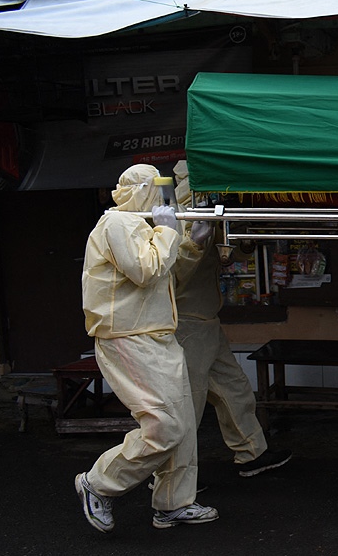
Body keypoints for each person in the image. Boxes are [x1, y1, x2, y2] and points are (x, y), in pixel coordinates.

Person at [74, 164, 218, 532]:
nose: (165, 196)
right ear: (142, 189)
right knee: (164, 426)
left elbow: (171, 275)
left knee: (183, 426)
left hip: (158, 337)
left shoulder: (144, 227)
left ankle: (174, 503)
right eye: (159, 188)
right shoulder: (117, 224)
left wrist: (192, 243)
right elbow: (145, 269)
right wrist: (169, 232)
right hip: (127, 337)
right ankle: (99, 483)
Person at [163, 161, 292, 480]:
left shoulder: (207, 208)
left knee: (234, 388)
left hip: (206, 321)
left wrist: (244, 243)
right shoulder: (174, 216)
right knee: (186, 405)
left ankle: (252, 453)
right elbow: (171, 273)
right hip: (184, 324)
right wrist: (194, 242)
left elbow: (222, 256)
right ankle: (174, 481)